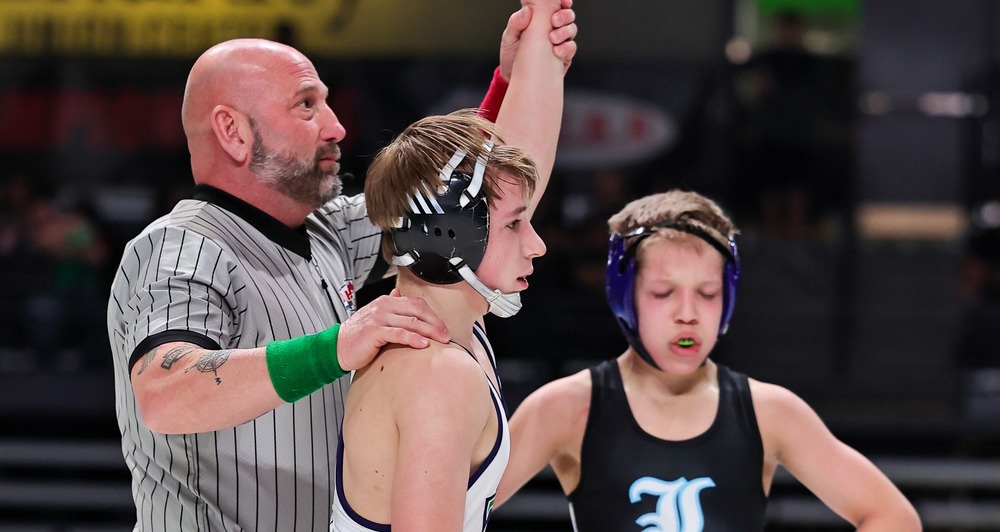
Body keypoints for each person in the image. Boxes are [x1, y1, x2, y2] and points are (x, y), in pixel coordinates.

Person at [106, 3, 577, 529]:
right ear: (232, 131)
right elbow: (166, 395)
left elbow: (465, 209)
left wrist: (516, 80)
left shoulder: (326, 231)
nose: (336, 125)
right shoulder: (180, 246)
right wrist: (334, 347)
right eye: (306, 105)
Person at [495, 189, 922, 531]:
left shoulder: (769, 411)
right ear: (625, 297)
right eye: (664, 293)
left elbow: (893, 517)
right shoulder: (567, 408)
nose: (688, 313)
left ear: (729, 299)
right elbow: (445, 515)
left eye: (708, 293)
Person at [330, 1, 564, 528]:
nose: (538, 245)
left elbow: (506, 176)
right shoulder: (437, 375)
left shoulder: (445, 328)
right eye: (514, 227)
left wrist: (533, 64)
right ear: (451, 240)